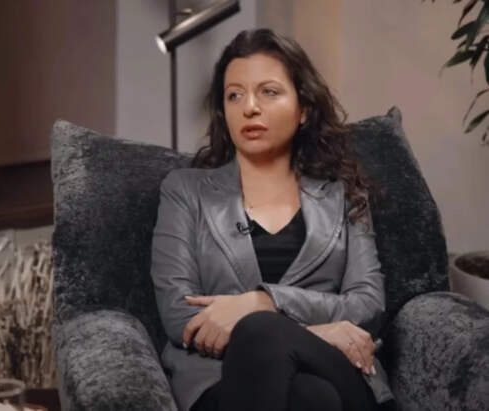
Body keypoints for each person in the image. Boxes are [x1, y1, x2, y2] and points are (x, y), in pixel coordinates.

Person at [150, 28, 394, 411]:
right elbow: (179, 314)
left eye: (269, 92)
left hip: (337, 371)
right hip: (222, 381)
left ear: (303, 109)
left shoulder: (343, 194)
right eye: (235, 95)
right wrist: (317, 332)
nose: (250, 107)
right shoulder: (185, 191)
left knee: (269, 336)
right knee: (310, 397)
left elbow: (368, 303)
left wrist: (265, 303)